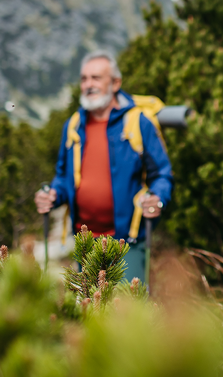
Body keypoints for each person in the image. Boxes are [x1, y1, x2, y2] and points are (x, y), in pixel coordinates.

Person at [36, 50, 173, 282]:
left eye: (96, 78)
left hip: (127, 242)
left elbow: (162, 174)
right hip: (84, 242)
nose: (88, 84)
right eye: (84, 78)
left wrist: (157, 198)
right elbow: (62, 176)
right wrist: (52, 194)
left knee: (127, 312)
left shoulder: (138, 122)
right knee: (88, 311)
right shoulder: (74, 125)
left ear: (116, 83)